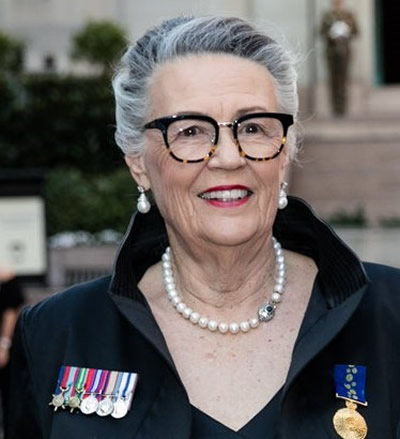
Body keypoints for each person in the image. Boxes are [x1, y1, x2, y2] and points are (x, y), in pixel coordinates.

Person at [7, 15, 400, 439]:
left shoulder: (389, 316)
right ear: (138, 163)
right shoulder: (56, 333)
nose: (229, 157)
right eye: (190, 131)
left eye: (253, 128)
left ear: (284, 153)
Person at [320, 0, 359, 115]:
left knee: (344, 78)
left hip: (345, 51)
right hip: (331, 51)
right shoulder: (327, 16)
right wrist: (331, 33)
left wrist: (346, 30)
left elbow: (356, 32)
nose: (338, 3)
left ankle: (343, 107)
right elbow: (321, 32)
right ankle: (335, 107)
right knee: (333, 79)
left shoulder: (348, 15)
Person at [0, 265, 24, 435]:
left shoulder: (6, 277)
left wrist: (4, 345)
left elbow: (10, 313)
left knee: (9, 395)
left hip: (3, 345)